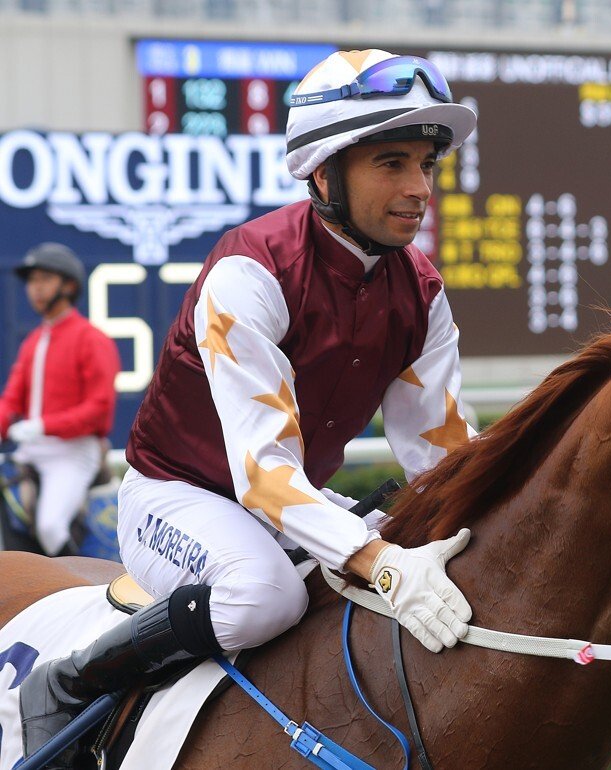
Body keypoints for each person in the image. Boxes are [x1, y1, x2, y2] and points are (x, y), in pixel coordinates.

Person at [20, 49, 480, 764]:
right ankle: (70, 681)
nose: (420, 188)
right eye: (393, 164)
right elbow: (263, 473)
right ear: (324, 172)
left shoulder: (420, 292)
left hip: (279, 496)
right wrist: (383, 561)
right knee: (267, 597)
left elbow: (444, 455)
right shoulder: (250, 271)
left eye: (428, 165)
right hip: (176, 495)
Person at [0, 243, 119, 556]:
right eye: (32, 281)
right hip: (33, 449)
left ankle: (75, 590)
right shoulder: (33, 341)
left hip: (74, 451)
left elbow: (99, 409)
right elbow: (10, 401)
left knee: (51, 526)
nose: (35, 288)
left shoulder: (92, 339)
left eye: (44, 279)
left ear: (68, 285)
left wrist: (44, 425)